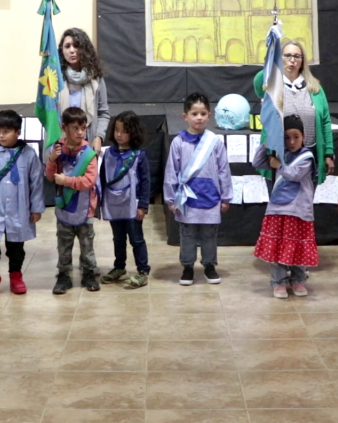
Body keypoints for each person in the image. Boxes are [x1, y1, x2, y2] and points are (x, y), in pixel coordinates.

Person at [0, 110, 44, 299]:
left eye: (6, 132)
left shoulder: (29, 154)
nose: (1, 136)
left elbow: (36, 183)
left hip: (18, 209)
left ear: (17, 132)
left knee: (16, 247)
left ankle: (16, 275)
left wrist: (36, 208)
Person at [163, 93, 232, 287]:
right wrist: (170, 198)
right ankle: (187, 267)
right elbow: (171, 171)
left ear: (209, 115)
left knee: (210, 234)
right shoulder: (179, 142)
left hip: (211, 197)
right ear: (185, 116)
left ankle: (209, 265)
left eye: (203, 113)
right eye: (194, 114)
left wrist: (226, 197)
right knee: (187, 234)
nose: (199, 118)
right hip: (186, 199)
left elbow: (224, 170)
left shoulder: (215, 142)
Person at [252, 116, 318, 298]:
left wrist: (278, 165)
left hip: (299, 211)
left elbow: (294, 174)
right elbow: (257, 163)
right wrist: (267, 144)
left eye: (296, 137)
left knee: (298, 246)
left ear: (303, 137)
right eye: (287, 138)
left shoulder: (306, 157)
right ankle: (279, 281)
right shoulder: (279, 154)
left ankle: (298, 279)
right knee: (279, 247)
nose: (292, 142)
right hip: (278, 209)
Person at [253, 40, 334, 184]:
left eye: (297, 56)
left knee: (305, 198)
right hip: (278, 156)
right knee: (279, 197)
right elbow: (258, 83)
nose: (292, 60)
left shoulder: (315, 88)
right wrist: (272, 62)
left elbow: (325, 122)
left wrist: (328, 153)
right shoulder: (272, 86)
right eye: (287, 55)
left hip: (308, 156)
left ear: (302, 61)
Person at [46, 107, 100, 295]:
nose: (80, 132)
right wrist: (52, 160)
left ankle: (89, 273)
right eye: (75, 128)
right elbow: (50, 176)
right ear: (64, 128)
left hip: (85, 209)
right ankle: (63, 276)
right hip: (64, 208)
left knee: (87, 245)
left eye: (83, 128)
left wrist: (66, 181)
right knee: (64, 245)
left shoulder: (88, 154)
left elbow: (88, 181)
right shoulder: (57, 149)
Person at [98, 111, 151, 289]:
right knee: (118, 239)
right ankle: (119, 267)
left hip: (132, 205)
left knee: (136, 239)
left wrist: (143, 206)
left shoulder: (139, 155)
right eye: (116, 130)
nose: (119, 134)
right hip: (113, 204)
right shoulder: (108, 154)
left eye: (124, 131)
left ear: (133, 132)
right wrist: (100, 201)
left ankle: (143, 271)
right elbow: (103, 178)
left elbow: (146, 182)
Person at [57, 28, 110, 154]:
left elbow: (103, 113)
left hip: (87, 146)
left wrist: (99, 137)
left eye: (76, 46)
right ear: (62, 50)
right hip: (61, 146)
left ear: (84, 49)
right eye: (67, 46)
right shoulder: (55, 77)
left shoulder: (96, 78)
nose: (72, 50)